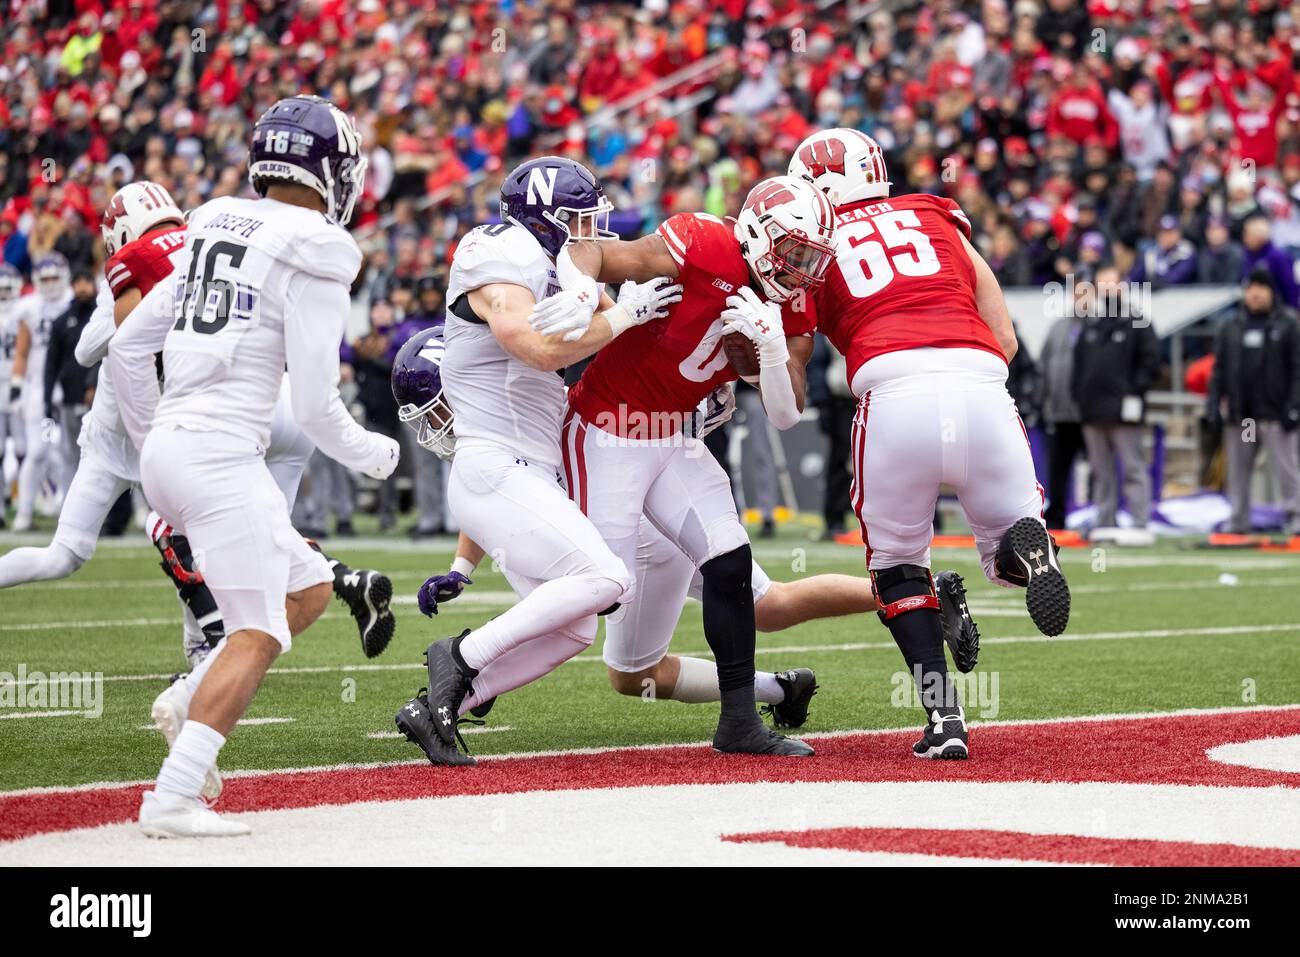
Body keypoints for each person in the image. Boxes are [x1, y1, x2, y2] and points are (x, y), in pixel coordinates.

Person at [397, 328, 984, 723]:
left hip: (633, 533)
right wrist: (461, 565)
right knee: (769, 605)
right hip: (662, 508)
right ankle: (916, 593)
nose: (445, 423)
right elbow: (507, 494)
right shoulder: (533, 411)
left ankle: (471, 679)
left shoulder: (535, 414)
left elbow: (512, 488)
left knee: (625, 666)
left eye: (445, 408)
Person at [109, 96, 401, 837]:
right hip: (218, 454)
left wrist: (155, 441)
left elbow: (122, 348)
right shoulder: (319, 245)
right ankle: (172, 796)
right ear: (329, 169)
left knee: (306, 587)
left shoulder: (209, 217)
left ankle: (187, 698)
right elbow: (313, 407)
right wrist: (377, 454)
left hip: (179, 446)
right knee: (259, 629)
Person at [529, 174, 837, 757]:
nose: (800, 270)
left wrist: (772, 353)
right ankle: (471, 661)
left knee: (729, 560)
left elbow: (785, 412)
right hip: (606, 429)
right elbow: (591, 249)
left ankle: (741, 722)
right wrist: (578, 291)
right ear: (759, 234)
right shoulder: (703, 241)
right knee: (597, 590)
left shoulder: (794, 297)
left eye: (811, 258)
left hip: (672, 435)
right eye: (794, 251)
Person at [789, 128, 1070, 761]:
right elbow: (1006, 335)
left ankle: (945, 719)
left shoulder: (810, 241)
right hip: (979, 381)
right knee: (1003, 556)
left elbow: (795, 373)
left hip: (891, 395)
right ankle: (1029, 558)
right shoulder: (934, 214)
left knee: (896, 571)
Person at [394, 156, 663, 767]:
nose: (589, 233)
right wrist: (623, 315)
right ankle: (457, 659)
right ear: (547, 219)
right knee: (607, 578)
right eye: (579, 220)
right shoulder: (502, 258)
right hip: (496, 465)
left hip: (515, 476)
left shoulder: (547, 267)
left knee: (575, 627)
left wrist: (463, 566)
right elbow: (538, 351)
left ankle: (439, 709)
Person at [1206, 267, 1300, 535]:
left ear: (1271, 291)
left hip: (1275, 414)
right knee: (1239, 471)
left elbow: (1297, 368)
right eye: (1251, 288)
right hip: (1244, 416)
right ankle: (1239, 519)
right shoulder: (1232, 325)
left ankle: (1296, 518)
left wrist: (1294, 406)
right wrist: (1214, 403)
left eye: (1261, 288)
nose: (1255, 294)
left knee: (1286, 470)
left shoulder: (1286, 323)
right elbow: (1220, 369)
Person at [1071, 266, 1162, 530]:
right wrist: (1080, 397)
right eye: (1102, 284)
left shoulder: (1137, 321)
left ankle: (1139, 521)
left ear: (1122, 286)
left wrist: (1133, 392)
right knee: (1101, 471)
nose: (1108, 289)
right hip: (1093, 410)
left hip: (1124, 411)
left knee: (1133, 467)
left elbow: (1151, 362)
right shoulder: (1091, 323)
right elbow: (1079, 366)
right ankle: (1104, 520)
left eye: (1112, 283)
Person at [8, 253, 73, 531]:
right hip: (40, 392)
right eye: (44, 278)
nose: (49, 284)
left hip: (70, 387)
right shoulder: (29, 307)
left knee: (71, 452)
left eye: (54, 278)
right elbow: (21, 351)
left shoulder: (75, 299)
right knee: (39, 451)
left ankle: (70, 514)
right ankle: (24, 511)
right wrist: (16, 387)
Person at [44, 268, 98, 490]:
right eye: (79, 282)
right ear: (72, 285)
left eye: (87, 281)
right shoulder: (61, 321)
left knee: (100, 453)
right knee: (71, 454)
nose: (83, 287)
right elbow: (52, 363)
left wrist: (94, 384)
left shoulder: (100, 317)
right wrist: (47, 397)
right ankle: (69, 503)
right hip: (69, 396)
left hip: (99, 397)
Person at [1039, 293, 1087, 529]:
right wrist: (1043, 401)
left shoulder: (1097, 326)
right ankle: (1056, 516)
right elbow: (1044, 364)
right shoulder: (1058, 327)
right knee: (1057, 469)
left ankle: (1099, 515)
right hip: (1058, 412)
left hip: (1088, 413)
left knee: (1098, 468)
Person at [807, 332, 855, 538]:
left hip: (875, 395)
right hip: (841, 400)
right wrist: (821, 401)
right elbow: (817, 362)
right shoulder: (830, 326)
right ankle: (835, 518)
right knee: (840, 460)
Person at [0, 264, 26, 527]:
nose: (4, 295)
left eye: (7, 289)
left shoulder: (26, 309)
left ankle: (19, 496)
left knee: (24, 449)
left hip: (21, 385)